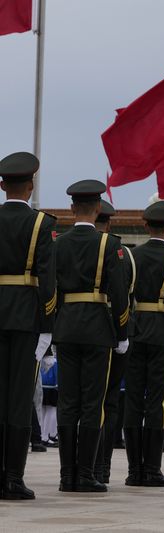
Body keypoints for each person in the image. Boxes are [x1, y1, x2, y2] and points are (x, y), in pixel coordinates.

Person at [54, 179, 129, 492]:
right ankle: (86, 474)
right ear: (98, 210)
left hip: (66, 326)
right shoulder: (109, 245)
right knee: (93, 403)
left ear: (72, 209)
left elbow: (51, 289)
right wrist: (122, 331)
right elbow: (120, 293)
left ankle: (66, 476)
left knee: (67, 401)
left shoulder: (57, 243)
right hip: (98, 329)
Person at [0, 152, 56, 500]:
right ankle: (13, 479)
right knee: (19, 399)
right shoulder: (41, 224)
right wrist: (48, 326)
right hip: (24, 319)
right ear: (31, 184)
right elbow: (47, 281)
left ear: (2, 185)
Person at [123, 201, 164, 487]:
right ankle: (151, 468)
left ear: (147, 226)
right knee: (157, 402)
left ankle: (133, 470)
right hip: (162, 333)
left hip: (136, 332)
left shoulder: (131, 256)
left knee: (134, 398)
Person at [93, 200, 135, 485]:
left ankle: (73, 467)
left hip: (74, 330)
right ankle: (101, 468)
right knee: (108, 402)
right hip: (110, 331)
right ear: (108, 223)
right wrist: (122, 333)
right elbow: (125, 296)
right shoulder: (121, 253)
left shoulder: (68, 244)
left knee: (78, 402)